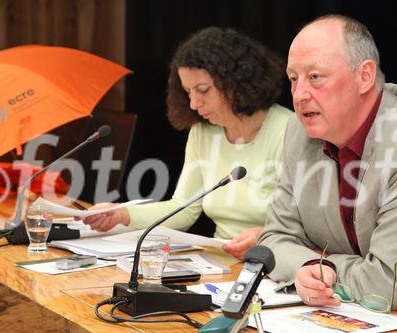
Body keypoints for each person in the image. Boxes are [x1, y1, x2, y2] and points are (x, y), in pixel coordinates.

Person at [258, 14, 397, 329]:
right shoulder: (300, 133)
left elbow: (392, 285)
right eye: (294, 79)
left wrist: (318, 262)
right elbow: (273, 238)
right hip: (340, 316)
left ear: (364, 76)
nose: (299, 96)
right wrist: (308, 265)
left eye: (315, 77)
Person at [83, 27, 292, 260]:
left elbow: (305, 228)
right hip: (219, 262)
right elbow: (184, 208)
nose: (193, 103)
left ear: (237, 81)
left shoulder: (290, 132)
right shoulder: (202, 132)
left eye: (203, 90)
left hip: (273, 263)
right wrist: (121, 214)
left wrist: (265, 234)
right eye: (187, 92)